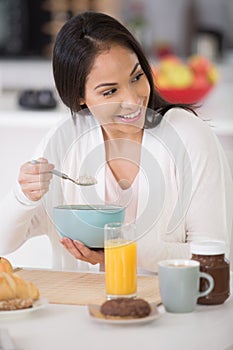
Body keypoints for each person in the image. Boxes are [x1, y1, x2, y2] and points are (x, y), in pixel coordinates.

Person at [0, 11, 232, 272]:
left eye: (136, 77)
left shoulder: (187, 135)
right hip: (79, 306)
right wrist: (24, 195)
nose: (133, 100)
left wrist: (120, 252)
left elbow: (213, 255)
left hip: (171, 309)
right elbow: (4, 241)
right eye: (110, 91)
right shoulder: (66, 141)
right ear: (79, 97)